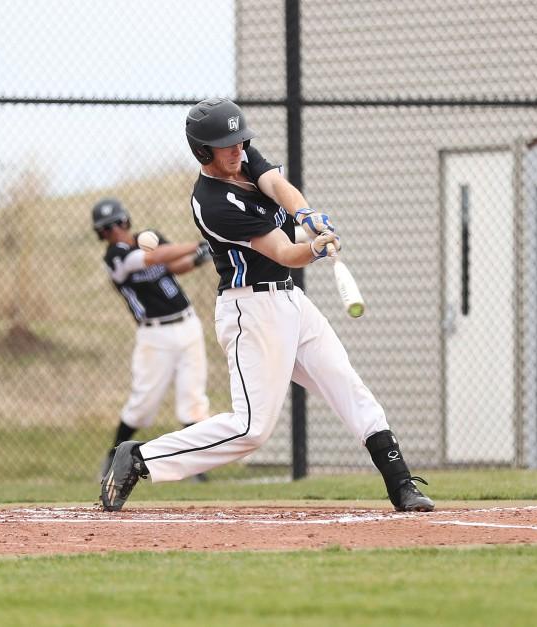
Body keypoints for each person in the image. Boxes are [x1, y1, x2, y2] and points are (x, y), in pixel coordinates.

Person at [100, 98, 435, 513]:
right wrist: (313, 246)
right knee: (250, 429)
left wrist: (306, 213)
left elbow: (278, 186)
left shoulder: (243, 159)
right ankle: (139, 458)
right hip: (252, 312)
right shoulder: (215, 203)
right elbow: (284, 253)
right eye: (228, 145)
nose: (239, 150)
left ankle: (401, 485)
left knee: (346, 384)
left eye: (241, 141)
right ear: (204, 152)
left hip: (292, 301)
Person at [92, 198, 214, 482]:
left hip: (187, 323)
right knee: (142, 405)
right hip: (154, 335)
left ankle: (197, 469)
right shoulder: (114, 258)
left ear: (127, 221)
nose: (115, 231)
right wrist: (198, 243)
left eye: (118, 224)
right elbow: (153, 258)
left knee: (193, 399)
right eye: (107, 229)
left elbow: (175, 265)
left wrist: (199, 258)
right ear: (102, 235)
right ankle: (114, 456)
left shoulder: (151, 238)